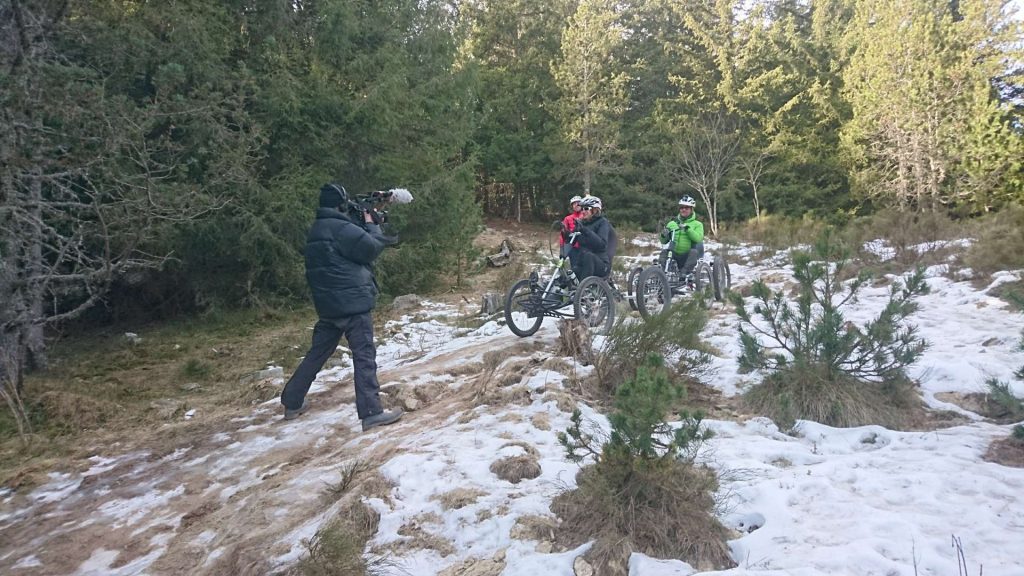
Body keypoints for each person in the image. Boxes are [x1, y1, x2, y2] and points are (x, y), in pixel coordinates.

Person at [279, 183, 404, 432]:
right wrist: (371, 223)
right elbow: (369, 248)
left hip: (329, 304)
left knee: (318, 353)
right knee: (364, 355)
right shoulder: (340, 228)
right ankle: (371, 412)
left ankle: (292, 401)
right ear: (341, 204)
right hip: (353, 303)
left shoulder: (319, 228)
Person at [567, 196, 614, 281]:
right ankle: (545, 291)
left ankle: (583, 291)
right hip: (583, 264)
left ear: (595, 210)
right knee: (568, 276)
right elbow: (571, 242)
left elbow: (602, 245)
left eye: (586, 208)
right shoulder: (582, 224)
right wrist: (565, 233)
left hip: (601, 265)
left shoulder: (602, 222)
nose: (583, 211)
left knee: (588, 256)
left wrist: (585, 230)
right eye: (582, 209)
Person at [661, 195, 705, 279]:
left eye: (686, 208)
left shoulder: (697, 224)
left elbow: (698, 238)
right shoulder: (671, 223)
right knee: (664, 252)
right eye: (681, 208)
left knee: (693, 252)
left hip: (687, 255)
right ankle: (661, 274)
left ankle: (683, 274)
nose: (683, 209)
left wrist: (687, 229)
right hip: (674, 253)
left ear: (692, 209)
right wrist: (663, 235)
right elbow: (663, 241)